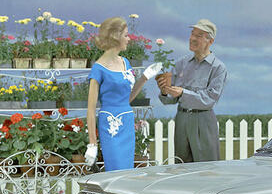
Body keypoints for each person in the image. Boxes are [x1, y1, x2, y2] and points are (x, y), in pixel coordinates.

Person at [85, 17, 162, 171]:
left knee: (127, 172)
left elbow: (127, 99)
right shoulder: (98, 69)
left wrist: (145, 77)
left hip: (127, 120)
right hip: (110, 124)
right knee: (115, 170)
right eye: (126, 35)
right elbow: (91, 109)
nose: (129, 39)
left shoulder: (125, 62)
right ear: (115, 36)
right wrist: (92, 144)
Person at [157, 19, 227, 163]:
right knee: (181, 165)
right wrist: (164, 91)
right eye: (192, 34)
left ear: (210, 41)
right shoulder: (181, 63)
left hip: (203, 120)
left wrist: (183, 93)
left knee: (206, 168)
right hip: (182, 119)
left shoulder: (218, 68)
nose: (192, 38)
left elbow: (210, 99)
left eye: (199, 35)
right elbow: (171, 99)